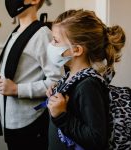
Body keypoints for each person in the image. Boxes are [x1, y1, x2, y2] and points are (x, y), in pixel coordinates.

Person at [0, 0, 63, 150]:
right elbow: (15, 73)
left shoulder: (42, 34)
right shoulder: (15, 33)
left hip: (29, 123)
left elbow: (57, 81)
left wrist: (17, 90)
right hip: (10, 120)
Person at [46, 9, 125, 150]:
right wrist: (56, 95)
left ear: (77, 50)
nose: (51, 45)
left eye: (56, 41)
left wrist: (61, 116)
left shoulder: (88, 86)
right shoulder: (71, 77)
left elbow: (96, 139)